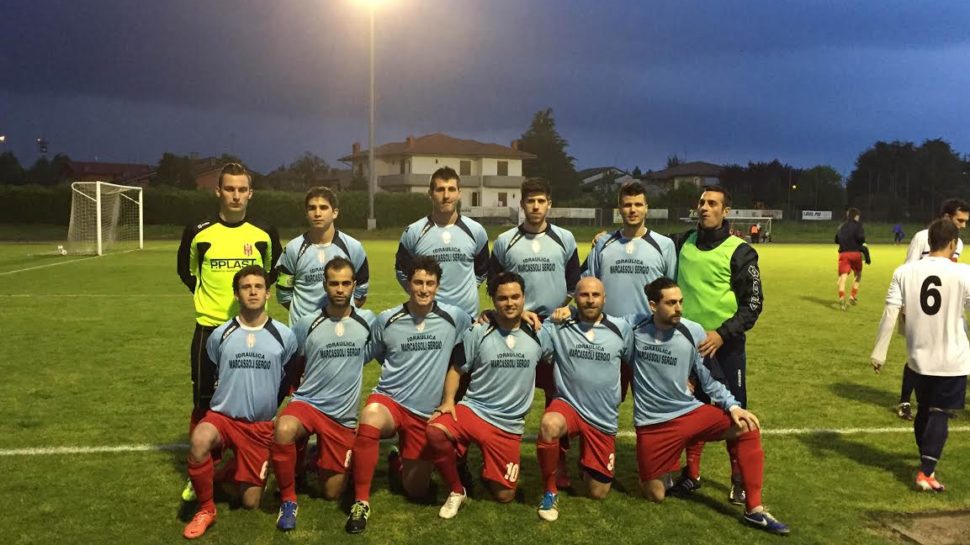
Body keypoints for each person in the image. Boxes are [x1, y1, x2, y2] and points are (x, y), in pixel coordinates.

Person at [630, 277, 790, 535]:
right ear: (652, 305)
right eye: (671, 303)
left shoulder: (692, 331)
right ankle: (667, 470)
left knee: (747, 426)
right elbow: (599, 320)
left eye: (680, 302)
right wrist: (567, 312)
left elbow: (710, 377)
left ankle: (754, 510)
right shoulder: (634, 327)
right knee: (654, 494)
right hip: (652, 423)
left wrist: (734, 407)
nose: (679, 308)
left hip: (687, 412)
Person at [176, 162, 282, 501]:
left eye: (242, 189)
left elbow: (270, 273)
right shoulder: (198, 231)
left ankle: (245, 459)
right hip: (210, 327)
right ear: (218, 191)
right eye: (230, 189)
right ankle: (203, 467)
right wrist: (209, 300)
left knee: (252, 400)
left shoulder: (264, 232)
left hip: (252, 331)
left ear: (250, 193)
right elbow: (187, 272)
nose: (236, 195)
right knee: (204, 400)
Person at [345, 256, 472, 534]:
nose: (424, 289)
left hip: (425, 414)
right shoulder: (387, 319)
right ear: (408, 284)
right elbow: (364, 355)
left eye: (430, 283)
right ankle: (361, 502)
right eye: (418, 282)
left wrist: (515, 315)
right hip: (390, 401)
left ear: (438, 286)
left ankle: (396, 460)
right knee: (370, 417)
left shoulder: (456, 318)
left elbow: (483, 330)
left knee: (416, 490)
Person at [181, 266, 299, 539]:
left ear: (268, 294)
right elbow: (211, 374)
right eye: (246, 287)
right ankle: (206, 509)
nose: (253, 292)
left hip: (258, 427)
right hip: (223, 419)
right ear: (236, 294)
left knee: (250, 502)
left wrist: (269, 404)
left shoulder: (284, 336)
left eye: (259, 287)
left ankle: (223, 473)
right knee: (200, 439)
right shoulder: (220, 334)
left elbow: (287, 378)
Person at [426, 272, 553, 519]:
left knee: (505, 496)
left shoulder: (538, 333)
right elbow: (456, 369)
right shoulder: (479, 331)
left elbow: (555, 360)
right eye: (502, 298)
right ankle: (456, 489)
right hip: (475, 410)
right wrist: (448, 401)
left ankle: (487, 466)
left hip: (508, 424)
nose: (510, 303)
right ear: (493, 300)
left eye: (515, 297)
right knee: (435, 430)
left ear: (524, 298)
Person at [668, 185, 763, 505]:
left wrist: (722, 334)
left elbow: (753, 305)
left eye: (712, 203)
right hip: (688, 348)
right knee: (690, 411)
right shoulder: (681, 242)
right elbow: (646, 244)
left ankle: (739, 480)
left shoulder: (741, 251)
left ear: (726, 211)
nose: (705, 207)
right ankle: (692, 474)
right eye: (701, 202)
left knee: (734, 413)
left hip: (726, 348)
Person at [270, 258, 377, 532]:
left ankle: (315, 455)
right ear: (325, 285)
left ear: (354, 285)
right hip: (308, 403)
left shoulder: (368, 321)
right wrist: (287, 397)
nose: (340, 289)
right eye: (334, 283)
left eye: (345, 283)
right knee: (284, 428)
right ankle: (288, 500)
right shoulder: (306, 323)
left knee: (331, 492)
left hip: (341, 416)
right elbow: (294, 364)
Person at [488, 178, 581, 486]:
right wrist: (517, 312)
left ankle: (560, 462)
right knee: (508, 391)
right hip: (518, 327)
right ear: (522, 205)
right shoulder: (505, 241)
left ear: (549, 204)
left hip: (555, 328)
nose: (536, 206)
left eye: (542, 201)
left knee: (558, 394)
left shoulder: (565, 238)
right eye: (531, 201)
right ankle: (500, 454)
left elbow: (574, 283)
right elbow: (494, 286)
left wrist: (564, 308)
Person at [871, 218, 970, 492]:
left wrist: (879, 354)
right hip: (953, 358)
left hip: (917, 358)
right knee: (940, 412)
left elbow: (890, 313)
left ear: (929, 241)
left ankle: (926, 464)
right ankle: (926, 472)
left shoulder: (904, 272)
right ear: (953, 244)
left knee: (924, 409)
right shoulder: (964, 273)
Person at [537, 277, 633, 521]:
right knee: (549, 425)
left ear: (604, 299)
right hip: (568, 404)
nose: (590, 300)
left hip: (602, 415)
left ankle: (586, 463)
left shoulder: (621, 328)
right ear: (575, 299)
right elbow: (534, 339)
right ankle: (550, 491)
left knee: (598, 493)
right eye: (584, 295)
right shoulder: (558, 324)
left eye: (595, 295)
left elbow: (636, 363)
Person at [895, 198, 970, 420]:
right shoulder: (922, 237)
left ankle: (938, 404)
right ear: (946, 216)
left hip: (946, 307)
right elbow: (909, 266)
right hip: (919, 305)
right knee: (917, 353)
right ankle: (905, 401)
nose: (963, 226)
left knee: (942, 351)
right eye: (960, 220)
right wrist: (905, 306)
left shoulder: (958, 243)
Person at [395, 167, 490, 319]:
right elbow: (401, 270)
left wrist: (469, 289)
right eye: (440, 190)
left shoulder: (476, 231)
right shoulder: (414, 232)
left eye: (451, 189)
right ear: (430, 194)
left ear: (459, 193)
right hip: (429, 318)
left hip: (467, 317)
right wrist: (421, 294)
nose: (446, 196)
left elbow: (482, 270)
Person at [275, 186, 369, 324]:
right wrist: (305, 319)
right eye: (312, 208)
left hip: (341, 326)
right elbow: (283, 294)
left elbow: (361, 292)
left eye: (323, 208)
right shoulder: (292, 249)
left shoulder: (353, 247)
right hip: (304, 330)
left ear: (335, 213)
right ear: (306, 213)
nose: (317, 213)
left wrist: (340, 312)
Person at [583, 181, 677, 318]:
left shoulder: (665, 245)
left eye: (638, 204)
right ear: (619, 209)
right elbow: (587, 287)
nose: (633, 210)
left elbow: (671, 293)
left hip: (649, 328)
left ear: (646, 208)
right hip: (609, 327)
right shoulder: (602, 243)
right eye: (627, 205)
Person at [834, 207, 867, 310]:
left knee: (843, 277)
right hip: (855, 253)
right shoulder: (858, 226)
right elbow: (861, 239)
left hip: (843, 254)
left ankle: (841, 298)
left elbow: (836, 240)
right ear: (856, 216)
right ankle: (852, 296)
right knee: (858, 275)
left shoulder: (841, 226)